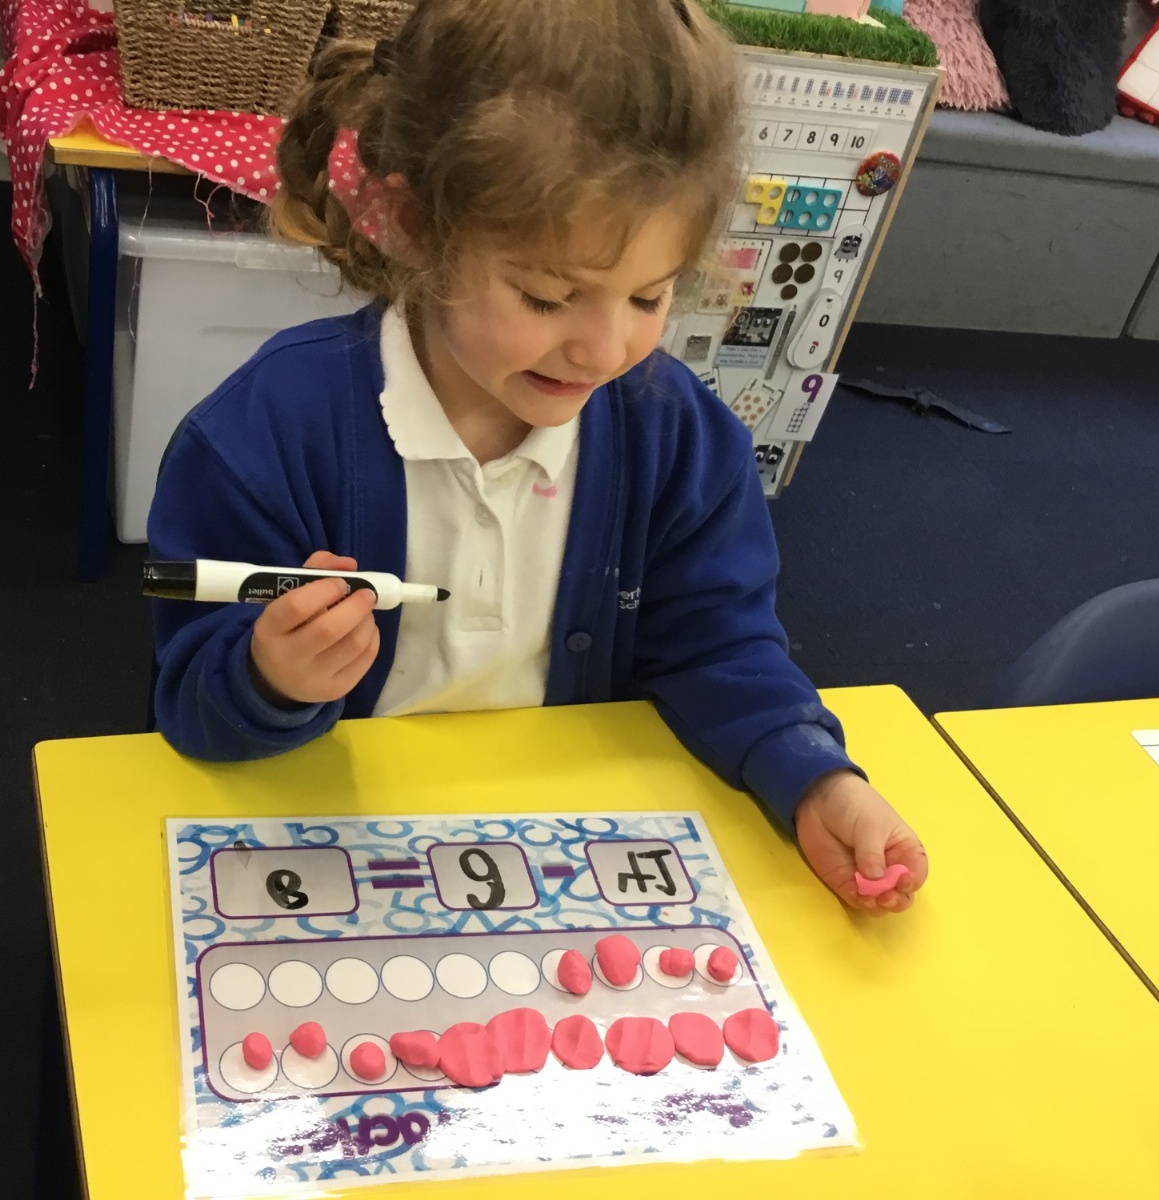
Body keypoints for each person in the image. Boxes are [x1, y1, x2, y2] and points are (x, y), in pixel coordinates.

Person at [147, 0, 928, 914]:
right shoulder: (265, 434)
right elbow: (186, 701)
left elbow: (719, 644)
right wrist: (268, 678)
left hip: (563, 863)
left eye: (648, 297)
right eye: (550, 298)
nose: (603, 350)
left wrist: (814, 775)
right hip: (335, 854)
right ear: (414, 225)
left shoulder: (676, 435)